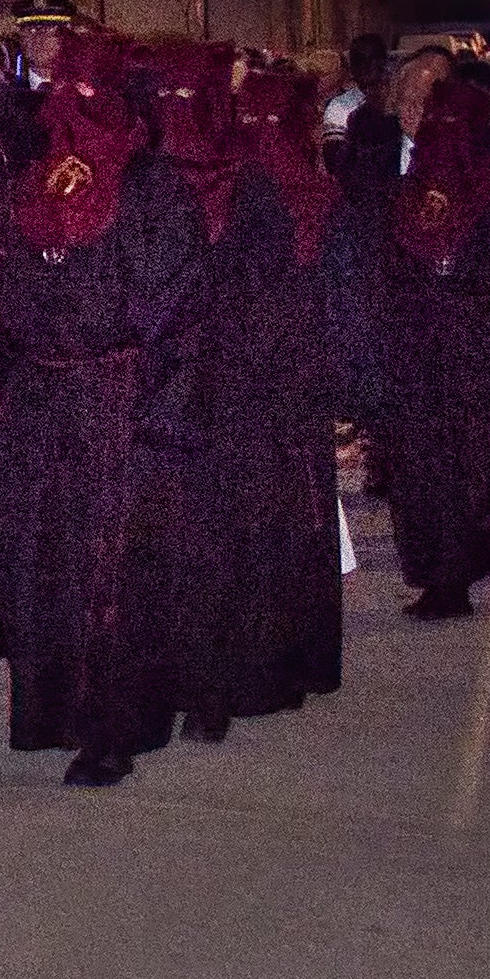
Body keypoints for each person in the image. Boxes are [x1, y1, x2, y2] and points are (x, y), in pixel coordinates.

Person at [0, 29, 187, 776]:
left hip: (117, 395)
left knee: (110, 569)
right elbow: (2, 272)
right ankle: (51, 711)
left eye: (91, 92)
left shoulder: (150, 184)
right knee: (36, 556)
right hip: (42, 395)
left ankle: (112, 729)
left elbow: (172, 297)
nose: (77, 105)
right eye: (68, 91)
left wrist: (154, 400)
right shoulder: (30, 181)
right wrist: (14, 361)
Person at [120, 58, 344, 735]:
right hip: (171, 390)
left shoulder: (246, 182)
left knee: (224, 543)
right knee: (172, 547)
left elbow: (275, 292)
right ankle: (184, 684)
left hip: (232, 393)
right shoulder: (143, 181)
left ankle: (220, 686)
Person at [367, 57, 490, 619]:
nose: (424, 111)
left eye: (435, 100)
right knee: (422, 461)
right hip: (408, 340)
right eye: (413, 97)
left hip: (473, 340)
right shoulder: (375, 161)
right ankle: (443, 575)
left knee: (484, 452)